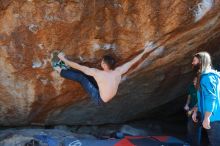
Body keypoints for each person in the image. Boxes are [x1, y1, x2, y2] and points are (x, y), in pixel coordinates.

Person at [53, 46, 148, 105]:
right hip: (105, 93)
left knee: (81, 77)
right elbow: (132, 62)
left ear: (105, 65)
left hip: (99, 98)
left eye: (102, 62)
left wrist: (63, 58)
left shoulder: (98, 73)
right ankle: (66, 69)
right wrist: (145, 51)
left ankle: (59, 69)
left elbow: (79, 66)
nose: (100, 63)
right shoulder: (119, 71)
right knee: (88, 76)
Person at [191, 51, 220, 146]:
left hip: (214, 118)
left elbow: (211, 97)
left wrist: (207, 117)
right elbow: (202, 98)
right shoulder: (213, 76)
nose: (192, 63)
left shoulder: (207, 77)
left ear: (201, 61)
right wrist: (196, 109)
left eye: (194, 61)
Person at [184, 77, 201, 146]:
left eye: (195, 82)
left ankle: (196, 144)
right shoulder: (191, 87)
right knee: (189, 126)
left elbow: (199, 101)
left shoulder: (201, 88)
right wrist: (187, 104)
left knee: (197, 129)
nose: (194, 83)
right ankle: (189, 143)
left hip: (199, 110)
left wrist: (192, 110)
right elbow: (189, 96)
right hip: (191, 108)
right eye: (193, 81)